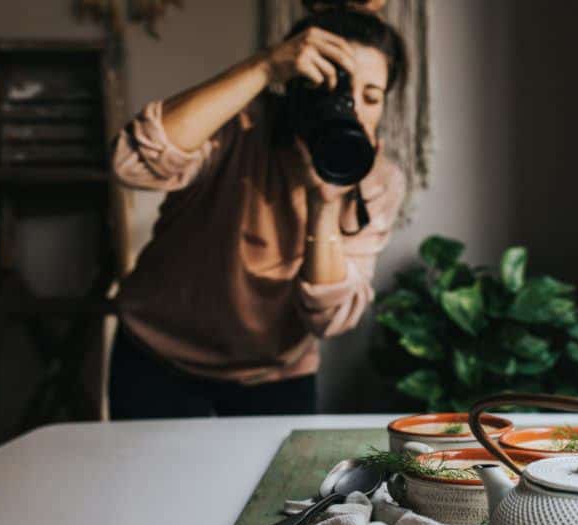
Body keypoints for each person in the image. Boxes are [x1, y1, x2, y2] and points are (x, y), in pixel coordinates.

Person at [109, 6, 408, 419]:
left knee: (277, 485)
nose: (351, 108)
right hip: (157, 356)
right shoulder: (240, 125)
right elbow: (133, 163)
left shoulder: (377, 181)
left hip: (276, 374)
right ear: (297, 86)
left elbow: (330, 319)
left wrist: (326, 201)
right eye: (334, 87)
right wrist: (266, 65)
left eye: (370, 97)